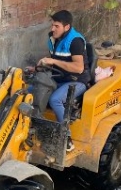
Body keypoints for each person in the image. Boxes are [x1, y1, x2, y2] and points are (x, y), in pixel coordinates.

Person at [36, 10, 90, 151]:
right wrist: (40, 66)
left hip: (76, 81)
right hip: (58, 78)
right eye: (52, 25)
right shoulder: (54, 38)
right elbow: (57, 60)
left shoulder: (75, 41)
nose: (52, 29)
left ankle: (67, 140)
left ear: (67, 27)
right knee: (31, 90)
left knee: (55, 100)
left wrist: (52, 60)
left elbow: (78, 68)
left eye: (56, 26)